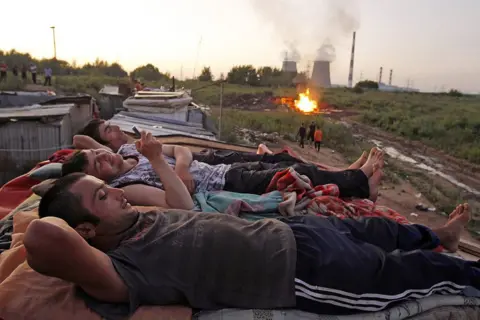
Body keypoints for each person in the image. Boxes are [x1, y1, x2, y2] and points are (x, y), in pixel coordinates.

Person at [24, 172, 480, 319]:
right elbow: (43, 238)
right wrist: (51, 210)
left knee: (383, 230)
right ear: (82, 232)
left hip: (298, 232)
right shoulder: (122, 270)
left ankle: (441, 236)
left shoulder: (141, 222)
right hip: (305, 272)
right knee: (418, 274)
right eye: (103, 196)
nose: (118, 192)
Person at [62, 130, 384, 207]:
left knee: (282, 160)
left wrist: (182, 165)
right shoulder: (127, 185)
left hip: (209, 167)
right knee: (290, 176)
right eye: (98, 165)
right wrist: (163, 162)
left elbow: (182, 150)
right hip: (222, 184)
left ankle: (350, 175)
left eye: (98, 154)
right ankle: (360, 184)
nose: (104, 158)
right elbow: (182, 203)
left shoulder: (131, 149)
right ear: (98, 178)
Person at [74, 119, 311, 166]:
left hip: (206, 159)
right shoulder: (124, 157)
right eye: (108, 130)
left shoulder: (134, 146)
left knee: (277, 162)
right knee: (278, 164)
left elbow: (181, 150)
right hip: (211, 164)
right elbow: (78, 140)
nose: (116, 127)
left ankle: (264, 154)